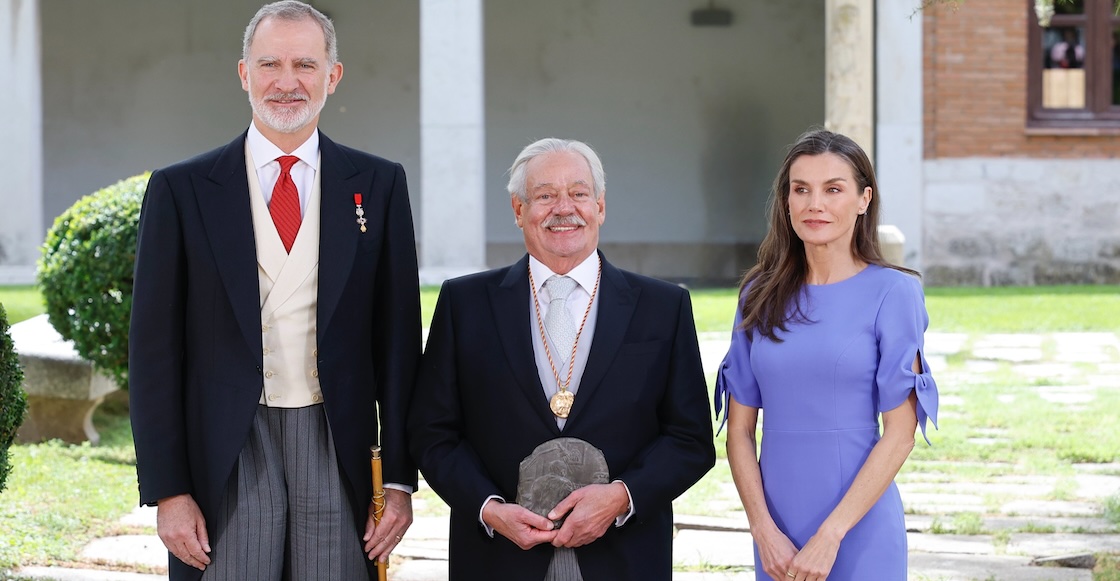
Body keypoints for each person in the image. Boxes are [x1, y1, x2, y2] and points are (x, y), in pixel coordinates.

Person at [128, 2, 421, 579]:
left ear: (332, 77)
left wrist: (398, 479)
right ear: (244, 74)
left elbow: (399, 343)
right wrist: (168, 490)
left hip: (335, 437)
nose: (287, 82)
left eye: (305, 65)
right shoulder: (181, 190)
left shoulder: (379, 185)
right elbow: (153, 352)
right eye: (270, 64)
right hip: (229, 443)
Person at [409, 138, 715, 580]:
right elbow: (432, 432)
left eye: (578, 192)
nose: (563, 208)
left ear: (600, 206)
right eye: (545, 195)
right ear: (518, 210)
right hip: (499, 559)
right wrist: (489, 509)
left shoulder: (663, 307)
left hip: (624, 555)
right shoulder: (465, 303)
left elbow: (690, 440)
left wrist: (621, 498)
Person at [714, 129, 938, 581]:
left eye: (833, 189)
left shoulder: (894, 293)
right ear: (787, 201)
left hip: (858, 529)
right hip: (776, 534)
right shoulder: (758, 294)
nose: (815, 204)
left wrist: (830, 535)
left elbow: (900, 433)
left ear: (863, 199)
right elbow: (738, 431)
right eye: (802, 190)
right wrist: (763, 531)